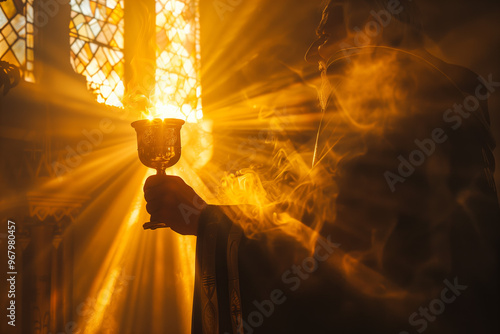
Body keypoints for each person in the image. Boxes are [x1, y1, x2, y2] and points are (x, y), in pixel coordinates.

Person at [143, 0, 500, 333]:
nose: (313, 53)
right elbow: (324, 217)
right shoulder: (450, 85)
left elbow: (332, 249)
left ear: (368, 32)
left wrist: (207, 222)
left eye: (324, 36)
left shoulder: (377, 97)